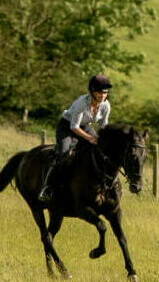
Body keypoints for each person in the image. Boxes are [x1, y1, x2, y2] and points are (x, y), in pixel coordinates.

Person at [38, 74, 112, 202]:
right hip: (67, 127)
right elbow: (74, 127)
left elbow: (103, 126)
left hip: (85, 126)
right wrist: (90, 138)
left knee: (100, 151)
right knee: (64, 153)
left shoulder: (106, 106)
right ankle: (47, 187)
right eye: (100, 92)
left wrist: (102, 140)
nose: (103, 95)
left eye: (105, 93)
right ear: (93, 92)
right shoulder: (81, 103)